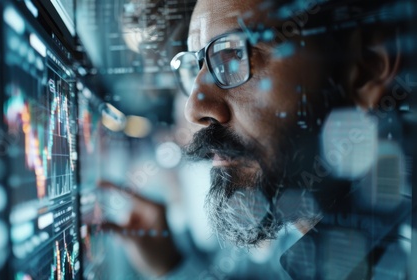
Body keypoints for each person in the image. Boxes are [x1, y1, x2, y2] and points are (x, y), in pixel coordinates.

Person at [104, 0, 415, 278]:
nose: (194, 109)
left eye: (233, 56)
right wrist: (170, 267)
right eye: (195, 67)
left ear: (366, 68)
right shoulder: (300, 239)